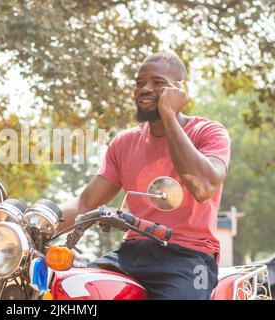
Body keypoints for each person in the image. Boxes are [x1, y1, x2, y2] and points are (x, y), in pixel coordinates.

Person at [57, 52, 231, 300]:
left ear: (180, 89)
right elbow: (85, 203)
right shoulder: (124, 143)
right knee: (71, 291)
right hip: (130, 253)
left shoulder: (208, 132)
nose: (144, 89)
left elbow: (203, 187)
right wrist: (33, 221)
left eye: (157, 83)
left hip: (189, 258)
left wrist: (168, 114)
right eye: (139, 83)